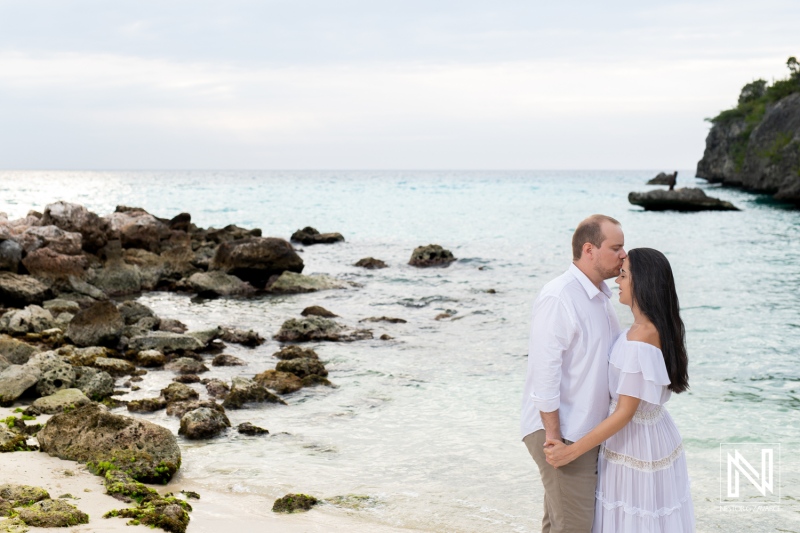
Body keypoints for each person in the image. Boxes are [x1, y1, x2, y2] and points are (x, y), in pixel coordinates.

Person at [544, 248, 695, 532]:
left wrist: (571, 452)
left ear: (644, 284)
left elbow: (625, 412)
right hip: (653, 434)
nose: (618, 281)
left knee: (632, 521)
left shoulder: (641, 337)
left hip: (634, 441)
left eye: (624, 275)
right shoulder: (654, 327)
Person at [520, 214, 626, 533]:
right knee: (575, 527)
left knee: (559, 523)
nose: (624, 255)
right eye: (616, 247)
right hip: (563, 432)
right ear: (589, 250)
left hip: (581, 433)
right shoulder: (560, 296)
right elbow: (544, 373)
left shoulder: (600, 297)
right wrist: (555, 439)